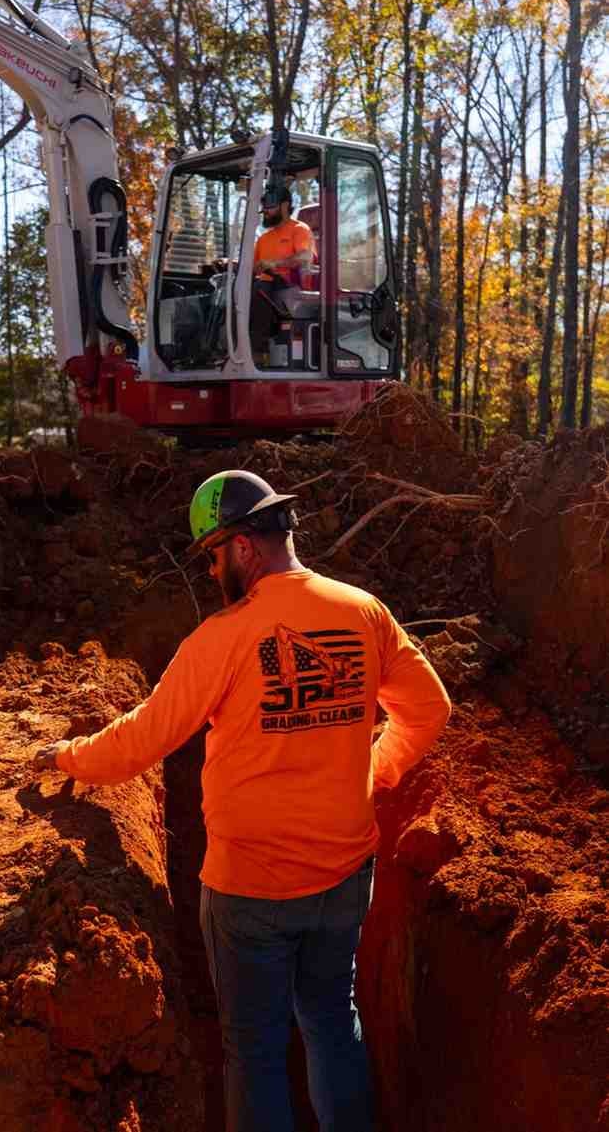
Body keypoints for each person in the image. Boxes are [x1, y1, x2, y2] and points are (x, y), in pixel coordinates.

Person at [32, 470, 451, 1132]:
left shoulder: (223, 637)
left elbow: (142, 740)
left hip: (250, 889)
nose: (209, 570)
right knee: (332, 1026)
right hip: (343, 875)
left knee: (253, 1052)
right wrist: (370, 771)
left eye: (211, 554)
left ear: (244, 548)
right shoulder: (363, 611)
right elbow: (428, 709)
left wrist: (66, 755)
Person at [250, 186, 315, 364]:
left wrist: (275, 263)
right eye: (264, 207)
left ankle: (256, 353)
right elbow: (252, 267)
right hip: (266, 286)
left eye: (269, 207)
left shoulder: (299, 229)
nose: (265, 211)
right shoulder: (264, 239)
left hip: (290, 286)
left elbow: (305, 256)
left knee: (259, 291)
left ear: (285, 206)